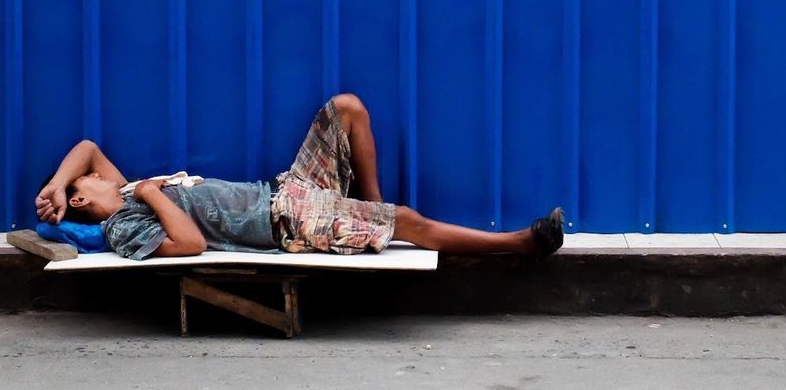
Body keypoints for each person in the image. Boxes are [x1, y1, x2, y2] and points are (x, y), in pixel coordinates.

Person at [36, 93, 564, 260]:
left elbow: (86, 147)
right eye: (89, 182)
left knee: (346, 108)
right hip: (285, 221)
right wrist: (152, 193)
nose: (103, 175)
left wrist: (58, 187)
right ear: (88, 203)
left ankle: (370, 207)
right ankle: (520, 242)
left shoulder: (115, 190)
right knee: (407, 221)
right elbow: (192, 243)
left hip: (286, 188)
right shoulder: (124, 227)